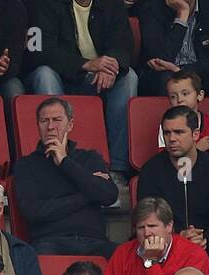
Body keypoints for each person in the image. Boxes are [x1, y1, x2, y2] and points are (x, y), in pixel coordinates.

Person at [136, 105, 209, 275]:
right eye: (167, 132)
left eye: (179, 132)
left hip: (206, 243)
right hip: (167, 244)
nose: (171, 138)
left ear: (196, 134)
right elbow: (144, 219)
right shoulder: (151, 170)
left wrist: (205, 238)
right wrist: (177, 238)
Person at [25, 0, 138, 180]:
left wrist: (112, 65)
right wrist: (86, 64)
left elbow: (123, 44)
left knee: (128, 78)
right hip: (60, 75)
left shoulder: (112, 4)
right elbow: (38, 51)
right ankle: (53, 156)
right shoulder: (44, 4)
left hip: (97, 79)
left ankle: (117, 169)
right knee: (44, 75)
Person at [12, 97, 118, 256]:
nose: (50, 127)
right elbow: (33, 212)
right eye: (44, 121)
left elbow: (109, 195)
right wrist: (87, 195)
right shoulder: (26, 165)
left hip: (93, 241)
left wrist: (64, 162)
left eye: (57, 120)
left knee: (124, 256)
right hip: (49, 241)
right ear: (38, 126)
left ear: (70, 125)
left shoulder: (90, 158)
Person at [137, 0, 209, 101]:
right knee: (167, 79)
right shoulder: (151, 8)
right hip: (162, 73)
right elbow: (160, 58)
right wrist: (182, 15)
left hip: (198, 70)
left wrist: (184, 70)